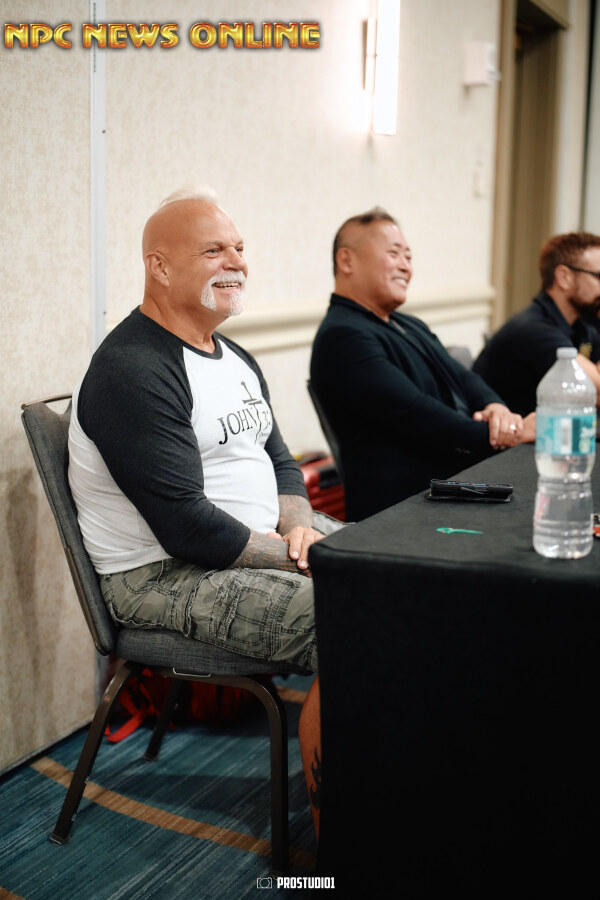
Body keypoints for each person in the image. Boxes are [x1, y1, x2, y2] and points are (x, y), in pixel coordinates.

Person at [68, 187, 337, 834]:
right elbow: (188, 528)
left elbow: (279, 458)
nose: (236, 262)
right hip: (162, 575)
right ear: (159, 266)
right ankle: (340, 843)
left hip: (258, 542)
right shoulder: (133, 369)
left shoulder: (233, 356)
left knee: (409, 574)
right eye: (214, 250)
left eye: (239, 248)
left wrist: (301, 528)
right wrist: (302, 556)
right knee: (356, 617)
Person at [309, 207, 536, 522]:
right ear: (346, 261)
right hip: (404, 509)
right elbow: (416, 413)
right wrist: (509, 434)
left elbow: (463, 378)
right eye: (394, 254)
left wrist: (495, 407)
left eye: (409, 257)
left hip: (452, 484)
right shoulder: (343, 336)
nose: (406, 266)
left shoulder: (407, 323)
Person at [473, 231, 600, 416]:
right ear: (564, 277)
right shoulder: (533, 329)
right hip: (515, 433)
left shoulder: (583, 325)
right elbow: (593, 391)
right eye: (598, 276)